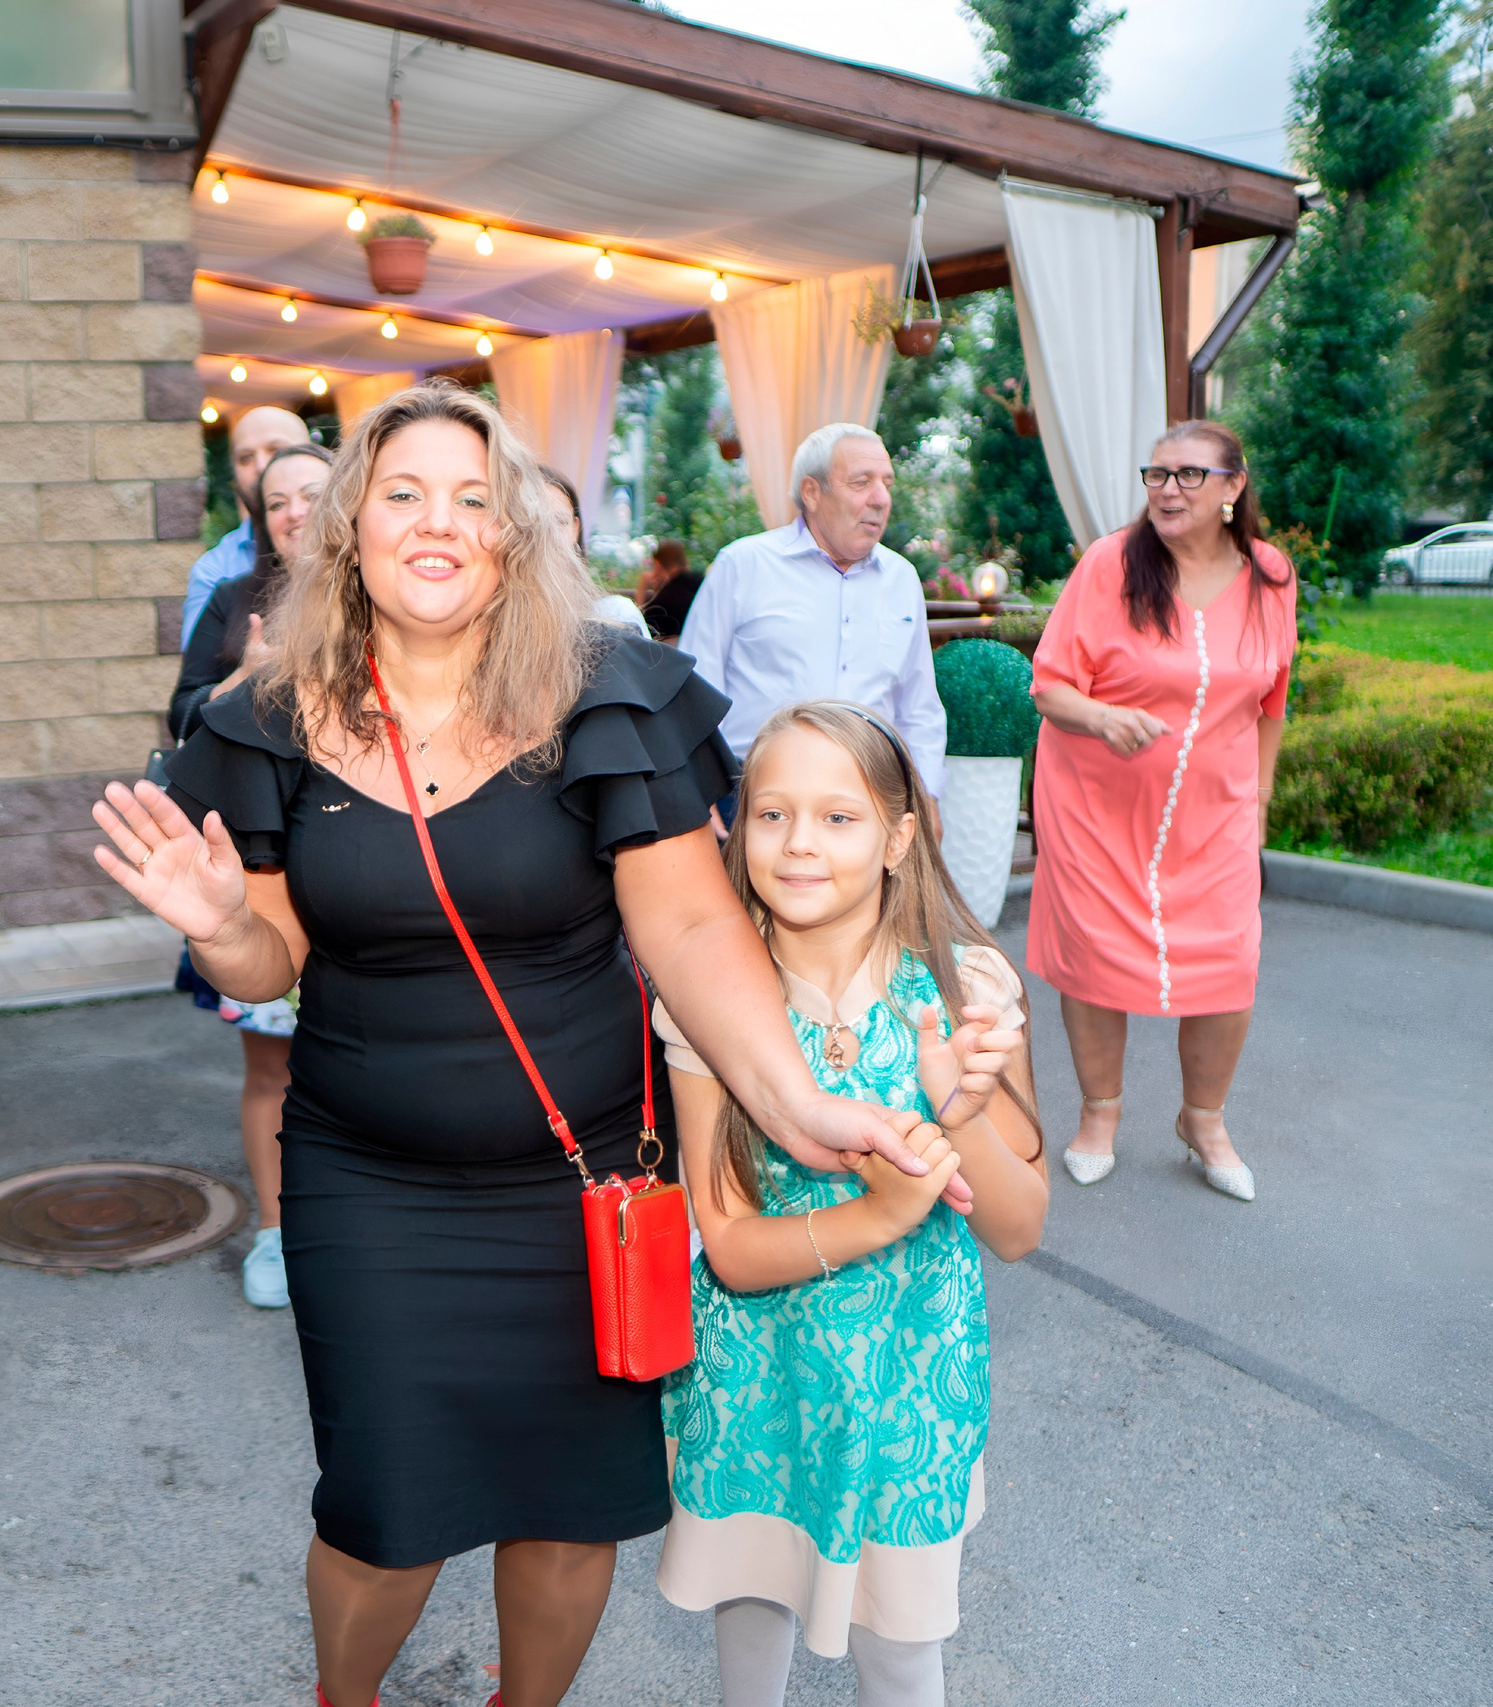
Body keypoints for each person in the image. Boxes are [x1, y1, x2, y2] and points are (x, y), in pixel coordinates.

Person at [90, 380, 953, 1707]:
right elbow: (270, 957)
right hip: (368, 1180)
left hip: (585, 1176)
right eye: (405, 494)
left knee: (568, 1505)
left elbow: (690, 928)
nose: (439, 524)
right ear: (349, 527)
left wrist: (801, 1104)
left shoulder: (605, 693)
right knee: (385, 1505)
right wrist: (215, 923)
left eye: (474, 499)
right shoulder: (266, 716)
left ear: (515, 533)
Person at [654, 701, 1048, 1707]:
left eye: (838, 817)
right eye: (771, 813)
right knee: (749, 1623)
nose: (797, 845)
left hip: (908, 1396)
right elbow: (731, 1249)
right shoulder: (710, 1002)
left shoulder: (967, 991)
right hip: (753, 1385)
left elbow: (1014, 1227)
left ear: (897, 836)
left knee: (903, 1648)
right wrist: (878, 1216)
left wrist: (958, 1110)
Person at [1025, 420, 1294, 1202]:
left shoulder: (1271, 574)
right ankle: (1098, 1116)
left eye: (1188, 475)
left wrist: (1263, 798)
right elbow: (1049, 686)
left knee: (1229, 964)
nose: (1168, 489)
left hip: (1216, 817)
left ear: (1233, 488)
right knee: (1096, 963)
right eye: (1156, 475)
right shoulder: (1109, 563)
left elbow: (1272, 698)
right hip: (1096, 809)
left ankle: (1202, 1121)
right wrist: (1104, 718)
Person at [170, 442, 333, 1308]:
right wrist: (249, 674)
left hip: (355, 869)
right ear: (260, 520)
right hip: (263, 865)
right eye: (277, 502)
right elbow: (183, 711)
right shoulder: (237, 600)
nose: (296, 511)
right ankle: (273, 1235)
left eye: (313, 493)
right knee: (273, 1067)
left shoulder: (378, 594)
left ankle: (347, 1226)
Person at [678, 424, 947, 835]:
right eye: (862, 483)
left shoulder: (902, 578)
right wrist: (699, 794)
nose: (881, 498)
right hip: (758, 797)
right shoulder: (743, 566)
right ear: (811, 492)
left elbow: (918, 706)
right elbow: (695, 690)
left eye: (886, 483)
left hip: (872, 795)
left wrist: (926, 798)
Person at [184, 405, 313, 643]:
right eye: (246, 458)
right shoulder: (214, 573)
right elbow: (200, 677)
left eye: (276, 450)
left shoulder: (364, 544)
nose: (261, 467)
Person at [540, 462, 649, 635]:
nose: (548, 534)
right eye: (533, 522)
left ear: (575, 530)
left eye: (559, 522)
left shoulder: (615, 614)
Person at [638, 538, 705, 645]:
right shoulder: (703, 585)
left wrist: (642, 588)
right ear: (686, 562)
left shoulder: (662, 604)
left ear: (657, 564)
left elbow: (641, 636)